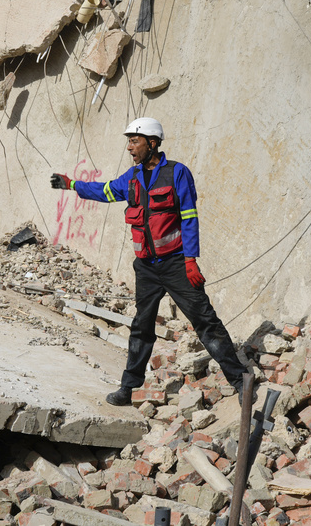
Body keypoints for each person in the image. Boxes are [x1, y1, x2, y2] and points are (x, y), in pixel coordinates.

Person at [50, 117, 248, 406]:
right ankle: (128, 389)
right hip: (146, 268)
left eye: (134, 141)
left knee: (205, 321)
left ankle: (240, 380)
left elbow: (189, 217)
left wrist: (191, 260)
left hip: (177, 264)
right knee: (141, 327)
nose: (130, 148)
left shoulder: (177, 173)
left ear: (152, 143)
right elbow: (105, 191)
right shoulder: (131, 178)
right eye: (129, 142)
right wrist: (71, 184)